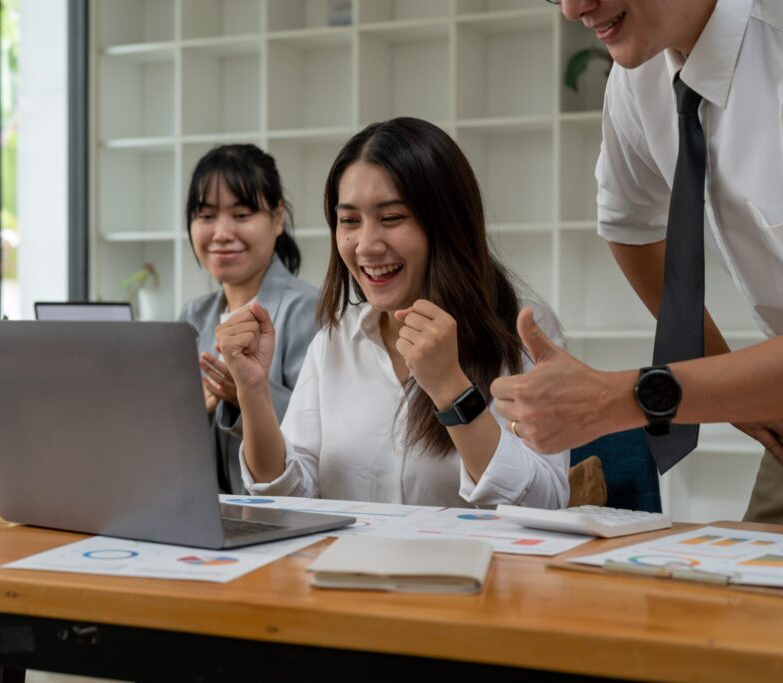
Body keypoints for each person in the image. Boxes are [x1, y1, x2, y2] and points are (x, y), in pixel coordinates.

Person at [493, 0, 783, 521]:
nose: (572, 9)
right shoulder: (640, 77)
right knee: (742, 593)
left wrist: (623, 397)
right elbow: (628, 224)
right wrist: (728, 385)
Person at [215, 118, 569, 507]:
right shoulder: (334, 342)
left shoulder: (523, 331)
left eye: (392, 218)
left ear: (447, 224)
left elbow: (547, 502)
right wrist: (252, 392)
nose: (366, 245)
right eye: (349, 221)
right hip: (346, 567)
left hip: (474, 568)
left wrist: (451, 388)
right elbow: (287, 497)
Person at [178, 144, 319, 495]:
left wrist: (245, 393)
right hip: (203, 514)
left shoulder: (310, 310)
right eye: (206, 216)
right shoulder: (192, 316)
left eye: (241, 215)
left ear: (277, 218)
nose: (222, 233)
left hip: (282, 517)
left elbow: (324, 428)